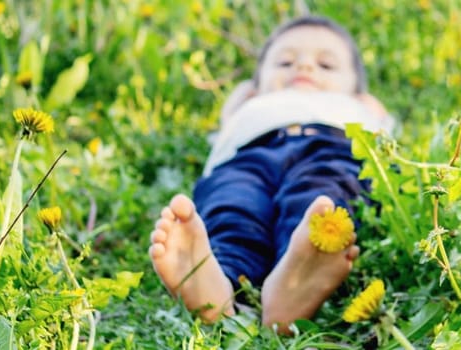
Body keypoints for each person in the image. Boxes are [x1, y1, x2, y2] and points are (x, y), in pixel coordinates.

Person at [147, 15, 395, 332]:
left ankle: (298, 272)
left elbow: (385, 133)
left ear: (363, 99)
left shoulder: (355, 109)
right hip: (249, 155)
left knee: (320, 197)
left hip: (329, 147)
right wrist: (239, 103)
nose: (304, 67)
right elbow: (231, 117)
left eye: (327, 66)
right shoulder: (252, 107)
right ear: (253, 88)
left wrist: (373, 112)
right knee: (234, 204)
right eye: (285, 62)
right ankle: (220, 283)